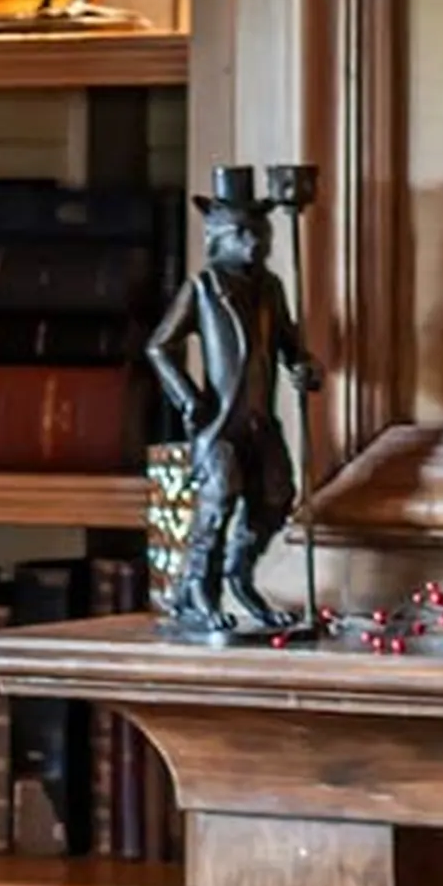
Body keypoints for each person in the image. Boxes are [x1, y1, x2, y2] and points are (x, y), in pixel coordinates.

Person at [146, 166, 323, 639]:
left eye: (260, 233)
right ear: (221, 237)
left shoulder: (270, 288)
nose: (256, 243)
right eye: (244, 234)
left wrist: (303, 366)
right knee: (218, 502)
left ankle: (239, 578)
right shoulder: (204, 288)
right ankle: (198, 592)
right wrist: (189, 400)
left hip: (260, 421)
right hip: (220, 422)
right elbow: (159, 346)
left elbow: (287, 343)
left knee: (275, 498)